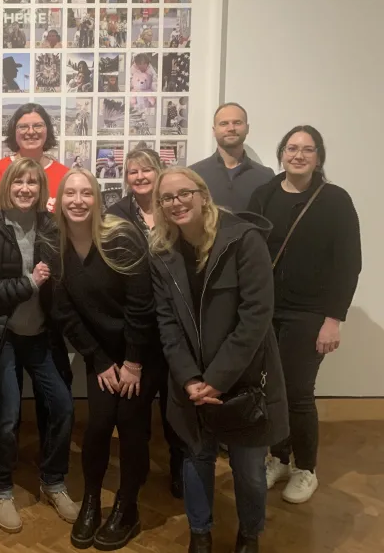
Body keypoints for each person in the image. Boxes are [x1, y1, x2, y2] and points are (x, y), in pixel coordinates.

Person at [149, 166, 288, 553]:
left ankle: (249, 534)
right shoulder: (161, 253)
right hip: (191, 384)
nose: (176, 203)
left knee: (248, 471)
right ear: (160, 206)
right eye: (167, 198)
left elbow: (256, 316)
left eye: (184, 193)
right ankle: (200, 534)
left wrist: (219, 377)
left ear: (203, 194)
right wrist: (190, 378)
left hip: (243, 379)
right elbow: (167, 324)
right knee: (196, 459)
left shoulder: (244, 239)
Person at [0, 158, 77, 533]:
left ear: (41, 189)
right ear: (7, 186)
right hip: (3, 337)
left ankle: (53, 481)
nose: (25, 188)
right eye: (18, 182)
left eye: (32, 183)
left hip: (41, 335)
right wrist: (27, 284)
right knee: (7, 416)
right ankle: (1, 487)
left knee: (61, 405)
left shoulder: (50, 225)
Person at [248, 125, 361, 505]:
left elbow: (348, 265)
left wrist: (333, 319)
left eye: (307, 149)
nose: (298, 155)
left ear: (318, 156)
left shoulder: (335, 201)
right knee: (270, 390)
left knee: (297, 393)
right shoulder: (262, 196)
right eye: (292, 148)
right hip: (266, 311)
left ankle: (306, 468)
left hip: (309, 313)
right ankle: (279, 458)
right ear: (281, 153)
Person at [51, 168, 157, 550]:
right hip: (101, 354)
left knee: (130, 427)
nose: (78, 200)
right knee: (97, 427)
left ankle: (128, 508)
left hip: (140, 349)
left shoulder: (120, 237)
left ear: (98, 199)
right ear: (60, 201)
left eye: (86, 193)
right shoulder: (55, 243)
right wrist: (96, 359)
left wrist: (132, 362)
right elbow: (64, 312)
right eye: (70, 194)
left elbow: (141, 306)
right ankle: (92, 502)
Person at [106, 148, 185, 499]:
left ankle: (180, 469)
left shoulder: (174, 209)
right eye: (132, 172)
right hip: (135, 328)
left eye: (146, 171)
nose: (139, 177)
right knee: (133, 410)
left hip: (177, 327)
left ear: (159, 172)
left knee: (177, 407)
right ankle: (134, 477)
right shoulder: (116, 214)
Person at [0, 102, 69, 228]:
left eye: (38, 126)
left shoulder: (65, 175)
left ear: (48, 130)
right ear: (14, 132)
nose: (31, 132)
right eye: (23, 127)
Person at [189, 103, 274, 211]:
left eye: (237, 123)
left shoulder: (266, 177)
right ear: (214, 131)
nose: (231, 128)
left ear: (247, 128)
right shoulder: (194, 174)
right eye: (224, 123)